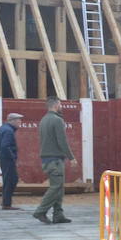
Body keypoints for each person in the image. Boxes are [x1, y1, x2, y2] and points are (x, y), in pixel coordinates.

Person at [32, 96, 73, 225]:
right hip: (55, 160)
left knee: (59, 187)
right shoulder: (57, 120)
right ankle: (40, 211)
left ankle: (58, 214)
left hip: (48, 159)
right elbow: (62, 141)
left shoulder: (44, 120)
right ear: (56, 105)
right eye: (60, 104)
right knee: (56, 187)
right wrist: (71, 157)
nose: (61, 107)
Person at [0, 111, 22, 211]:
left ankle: (5, 202)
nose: (20, 122)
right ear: (12, 121)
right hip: (7, 159)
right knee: (11, 180)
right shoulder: (8, 131)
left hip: (4, 158)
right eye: (18, 120)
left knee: (9, 180)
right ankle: (6, 204)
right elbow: (5, 146)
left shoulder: (5, 129)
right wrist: (12, 157)